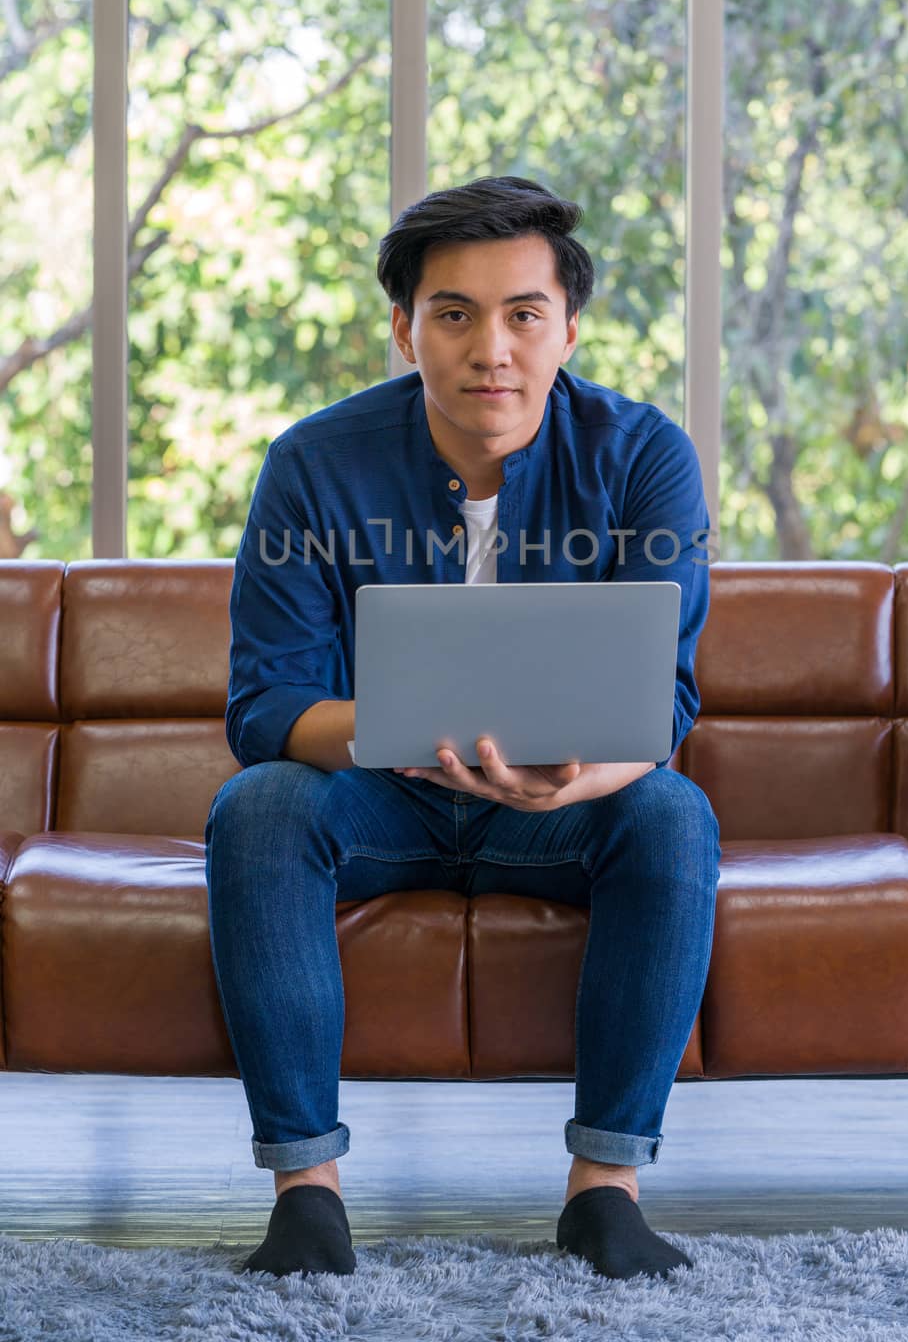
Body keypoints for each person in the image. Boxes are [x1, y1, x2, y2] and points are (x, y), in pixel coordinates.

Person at [205, 175, 722, 1283]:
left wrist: (575, 775)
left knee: (669, 815)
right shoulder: (310, 464)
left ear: (566, 326)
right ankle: (307, 1195)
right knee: (256, 806)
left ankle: (604, 1192)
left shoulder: (642, 458)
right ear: (404, 328)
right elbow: (265, 710)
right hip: (378, 796)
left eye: (522, 312)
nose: (491, 346)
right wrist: (415, 731)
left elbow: (660, 710)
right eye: (453, 313)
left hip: (560, 811)